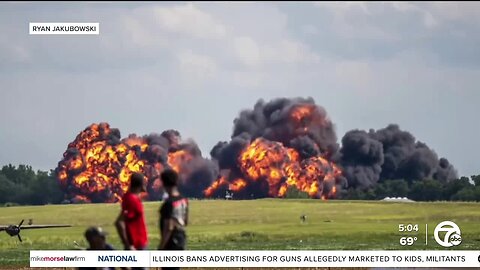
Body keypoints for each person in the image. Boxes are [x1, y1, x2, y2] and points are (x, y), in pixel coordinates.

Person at [158, 169, 189, 270]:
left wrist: (161, 247)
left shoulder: (168, 204)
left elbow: (169, 227)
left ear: (164, 183)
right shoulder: (184, 200)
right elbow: (185, 221)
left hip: (170, 244)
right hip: (181, 240)